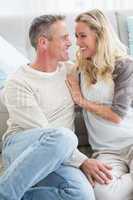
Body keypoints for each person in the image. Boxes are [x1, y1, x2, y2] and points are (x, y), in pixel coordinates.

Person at [0, 14, 112, 200]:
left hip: (62, 153)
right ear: (43, 43)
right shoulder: (18, 82)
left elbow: (107, 63)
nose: (71, 42)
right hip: (23, 146)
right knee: (64, 136)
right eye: (64, 37)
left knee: (82, 195)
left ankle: (17, 189)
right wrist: (82, 160)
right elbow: (43, 131)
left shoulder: (70, 70)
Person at [67, 9, 133, 200]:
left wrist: (82, 101)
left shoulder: (124, 65)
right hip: (106, 150)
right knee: (103, 194)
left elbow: (116, 115)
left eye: (83, 36)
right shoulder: (79, 69)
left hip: (131, 141)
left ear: (100, 35)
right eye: (76, 36)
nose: (78, 43)